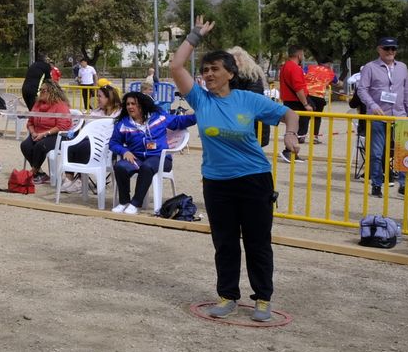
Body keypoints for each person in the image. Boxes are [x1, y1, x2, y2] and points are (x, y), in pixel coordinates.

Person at [171, 18, 299, 322]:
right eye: (205, 70)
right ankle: (228, 296)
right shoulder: (200, 100)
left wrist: (291, 135)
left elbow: (290, 114)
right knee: (225, 243)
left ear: (230, 73)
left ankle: (263, 299)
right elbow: (176, 67)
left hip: (254, 179)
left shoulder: (248, 99)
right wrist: (194, 36)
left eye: (215, 69)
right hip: (217, 183)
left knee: (257, 241)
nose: (209, 74)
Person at [108, 90, 196, 214]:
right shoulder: (123, 124)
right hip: (137, 158)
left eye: (133, 104)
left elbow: (179, 121)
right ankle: (124, 202)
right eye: (128, 104)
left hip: (160, 158)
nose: (130, 107)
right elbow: (113, 143)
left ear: (142, 105)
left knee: (147, 167)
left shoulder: (159, 117)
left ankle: (136, 203)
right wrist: (124, 151)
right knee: (120, 166)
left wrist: (200, 115)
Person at [355, 37, 408, 196]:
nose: (390, 52)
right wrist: (373, 106)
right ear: (379, 49)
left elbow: (407, 92)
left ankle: (404, 186)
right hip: (378, 117)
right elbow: (361, 90)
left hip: (400, 116)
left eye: (393, 49)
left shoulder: (402, 67)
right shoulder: (370, 67)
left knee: (404, 152)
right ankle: (376, 184)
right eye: (387, 48)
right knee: (377, 153)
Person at [19, 79, 73, 184]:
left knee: (40, 146)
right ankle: (40, 173)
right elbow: (30, 122)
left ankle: (33, 171)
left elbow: (62, 126)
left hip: (54, 135)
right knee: (25, 145)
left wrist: (45, 134)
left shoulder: (60, 106)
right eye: (41, 90)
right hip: (37, 133)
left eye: (44, 90)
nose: (41, 92)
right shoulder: (37, 104)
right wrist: (33, 132)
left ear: (52, 92)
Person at [303, 56, 336, 142]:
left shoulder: (309, 67)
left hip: (307, 95)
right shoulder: (330, 72)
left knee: (305, 116)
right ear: (328, 64)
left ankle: (301, 136)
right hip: (319, 96)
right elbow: (336, 82)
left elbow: (302, 75)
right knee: (317, 117)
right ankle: (314, 137)